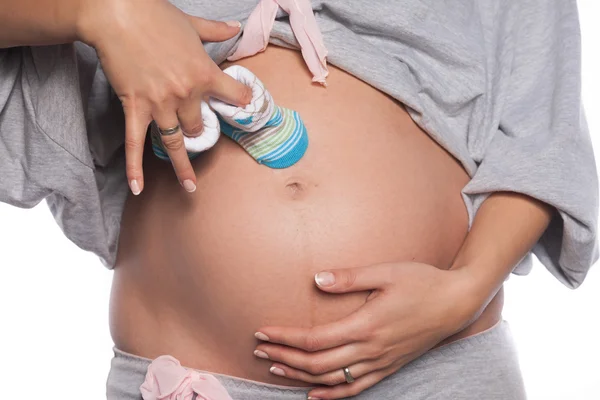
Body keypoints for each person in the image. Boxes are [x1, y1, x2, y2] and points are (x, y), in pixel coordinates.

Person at [0, 0, 597, 399]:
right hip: (197, 376)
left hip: (439, 366)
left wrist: (465, 290)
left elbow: (538, 129)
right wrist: (100, 11)